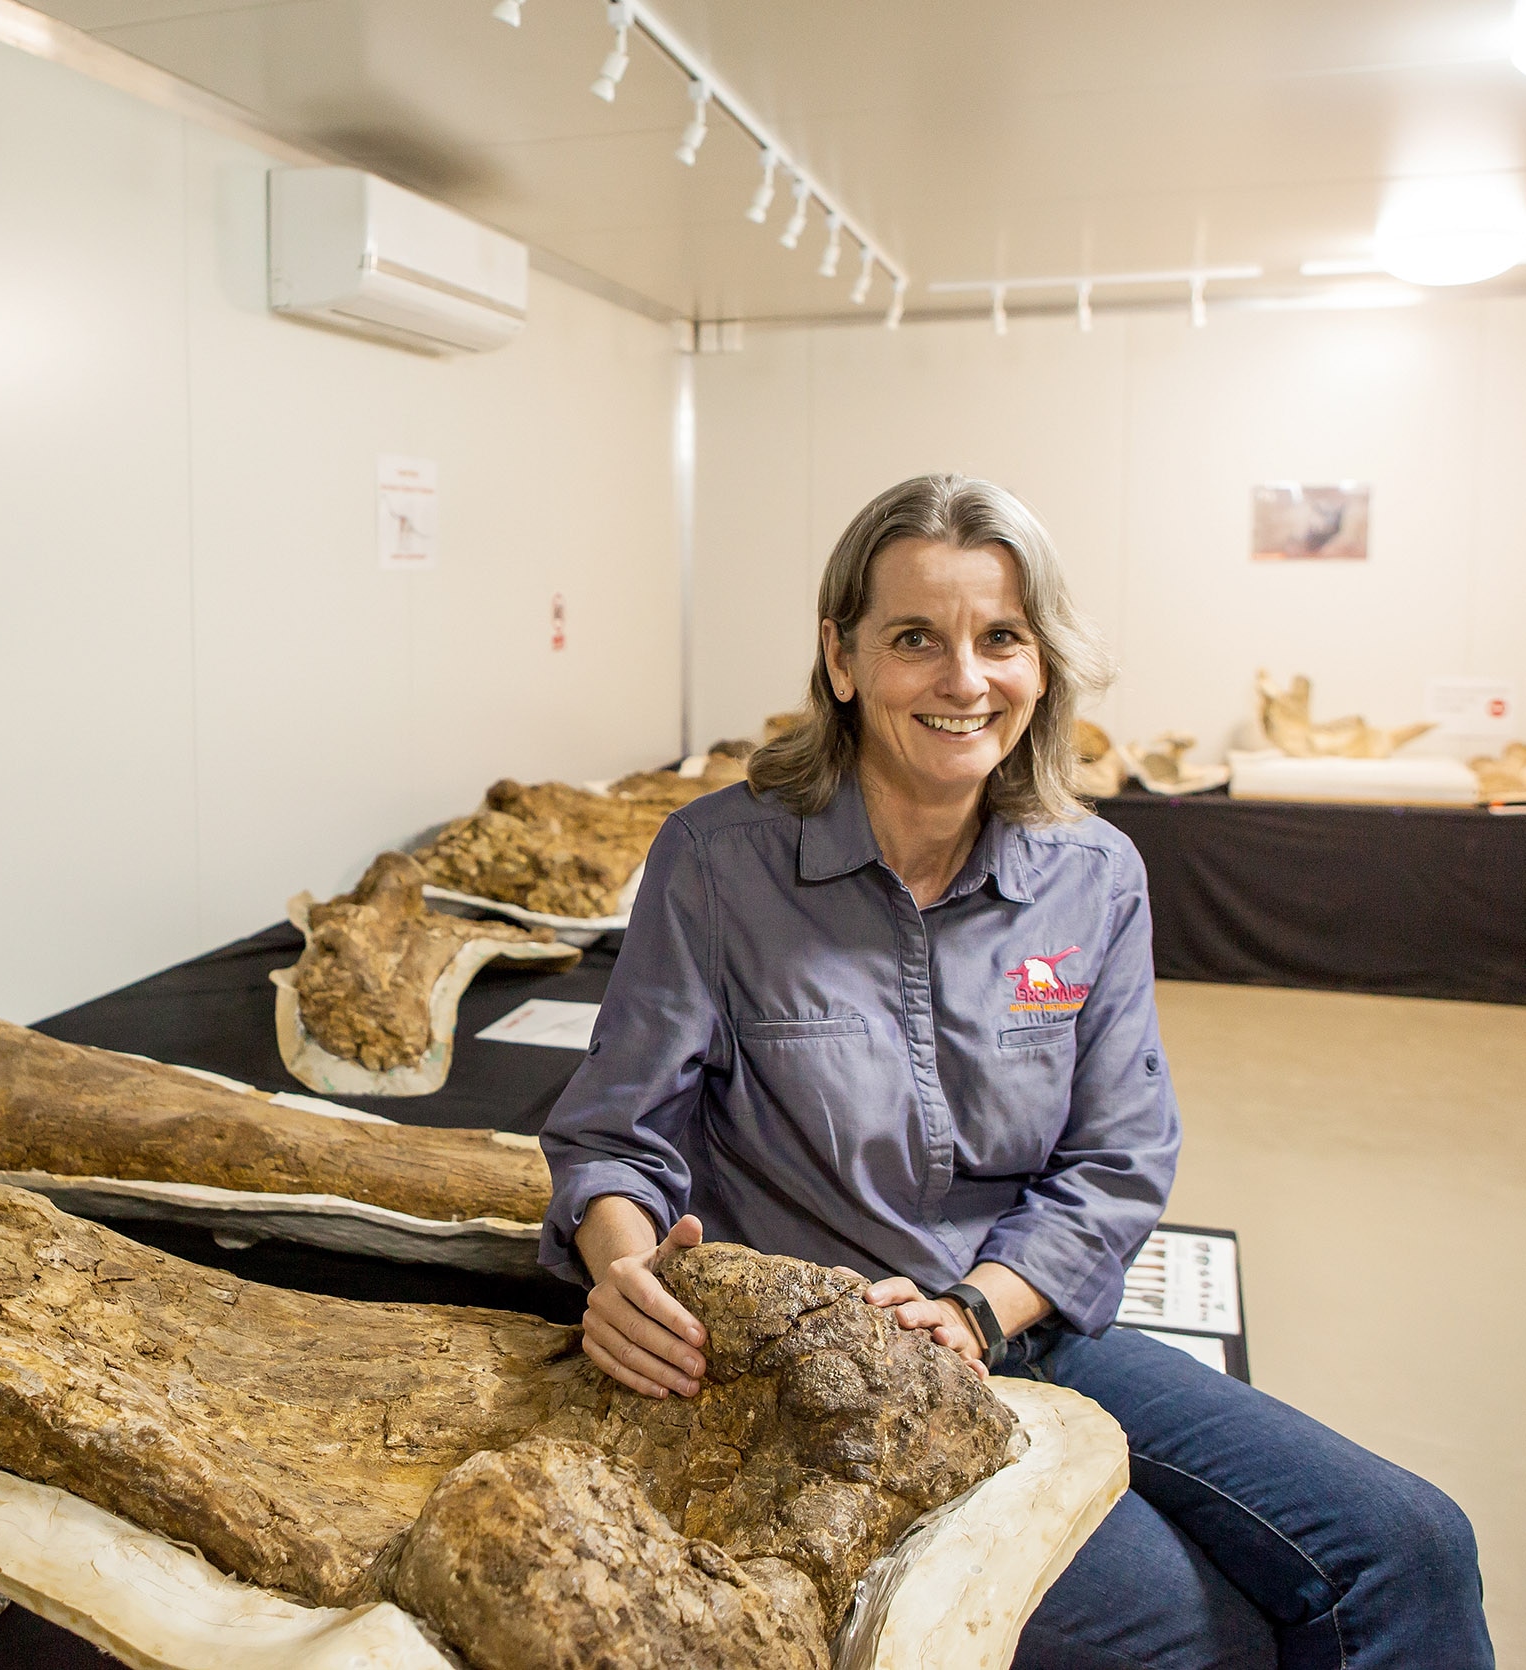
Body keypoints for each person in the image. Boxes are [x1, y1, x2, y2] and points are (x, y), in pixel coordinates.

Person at [538, 474, 1491, 1667]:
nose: (964, 679)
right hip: (821, 1372)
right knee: (1204, 1630)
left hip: (1024, 1320)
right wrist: (623, 1269)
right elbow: (614, 1133)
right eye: (913, 639)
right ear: (840, 657)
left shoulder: (1093, 873)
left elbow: (1118, 1154)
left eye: (1000, 638)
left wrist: (982, 1304)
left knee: (1411, 1545)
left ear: (1041, 663)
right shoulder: (720, 861)